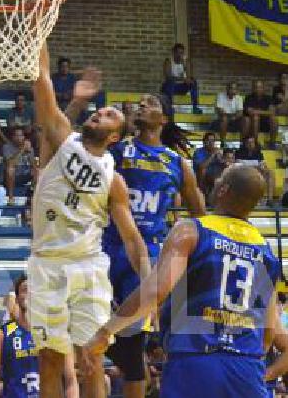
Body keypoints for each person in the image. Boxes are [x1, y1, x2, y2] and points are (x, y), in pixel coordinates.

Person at [85, 166, 288, 398]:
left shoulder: (192, 230)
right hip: (246, 367)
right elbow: (267, 333)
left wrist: (106, 331)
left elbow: (155, 292)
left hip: (195, 360)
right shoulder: (266, 252)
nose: (215, 183)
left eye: (219, 180)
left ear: (223, 190)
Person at [29, 42, 153, 398]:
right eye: (100, 111)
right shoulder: (63, 138)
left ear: (116, 136)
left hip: (88, 266)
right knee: (50, 358)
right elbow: (42, 81)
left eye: (110, 115)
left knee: (92, 356)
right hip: (47, 264)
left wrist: (148, 286)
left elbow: (131, 239)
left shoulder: (114, 180)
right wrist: (39, 34)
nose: (101, 114)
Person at [93, 92, 206, 398]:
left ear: (164, 119)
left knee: (131, 349)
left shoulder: (177, 164)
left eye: (151, 103)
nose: (142, 105)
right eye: (140, 103)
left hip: (145, 256)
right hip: (105, 247)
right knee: (89, 336)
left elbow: (200, 215)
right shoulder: (118, 150)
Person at [0, 275, 40, 398]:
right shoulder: (1, 336)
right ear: (17, 299)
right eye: (25, 290)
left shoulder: (53, 334)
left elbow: (70, 380)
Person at [232, 135, 275, 203]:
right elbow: (238, 167)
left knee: (270, 173)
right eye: (248, 142)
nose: (250, 144)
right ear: (245, 144)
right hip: (243, 175)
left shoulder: (258, 154)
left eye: (252, 142)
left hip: (257, 174)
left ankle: (270, 200)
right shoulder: (238, 153)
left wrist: (263, 168)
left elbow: (263, 166)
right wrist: (255, 167)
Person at [160, 43, 201, 114]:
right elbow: (168, 76)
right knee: (170, 81)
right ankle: (169, 107)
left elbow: (189, 77)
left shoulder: (186, 61)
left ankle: (195, 107)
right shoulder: (168, 61)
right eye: (177, 52)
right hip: (168, 88)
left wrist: (184, 66)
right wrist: (183, 79)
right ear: (173, 53)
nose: (179, 55)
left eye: (181, 53)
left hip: (179, 88)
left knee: (193, 81)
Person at [2, 127, 38, 205]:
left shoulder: (29, 148)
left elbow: (34, 166)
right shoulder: (7, 147)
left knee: (37, 171)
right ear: (12, 137)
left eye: (21, 135)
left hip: (24, 175)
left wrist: (29, 152)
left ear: (24, 137)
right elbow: (10, 163)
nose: (19, 138)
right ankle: (11, 198)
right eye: (16, 136)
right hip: (11, 177)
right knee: (10, 170)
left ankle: (31, 197)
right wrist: (22, 150)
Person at [243, 80, 277, 147]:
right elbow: (250, 112)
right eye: (256, 87)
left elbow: (272, 112)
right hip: (252, 124)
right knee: (256, 118)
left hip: (265, 123)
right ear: (253, 89)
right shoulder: (249, 98)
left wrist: (257, 111)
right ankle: (255, 142)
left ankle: (272, 142)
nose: (258, 89)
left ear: (263, 88)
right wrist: (265, 112)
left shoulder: (268, 98)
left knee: (274, 119)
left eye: (260, 87)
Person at [215, 82, 246, 146]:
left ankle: (242, 143)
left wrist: (233, 117)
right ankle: (223, 142)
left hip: (235, 119)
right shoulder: (220, 96)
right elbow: (220, 111)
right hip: (222, 118)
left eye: (235, 89)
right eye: (231, 88)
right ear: (227, 89)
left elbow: (240, 113)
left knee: (245, 119)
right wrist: (229, 115)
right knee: (224, 118)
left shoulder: (239, 98)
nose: (233, 90)